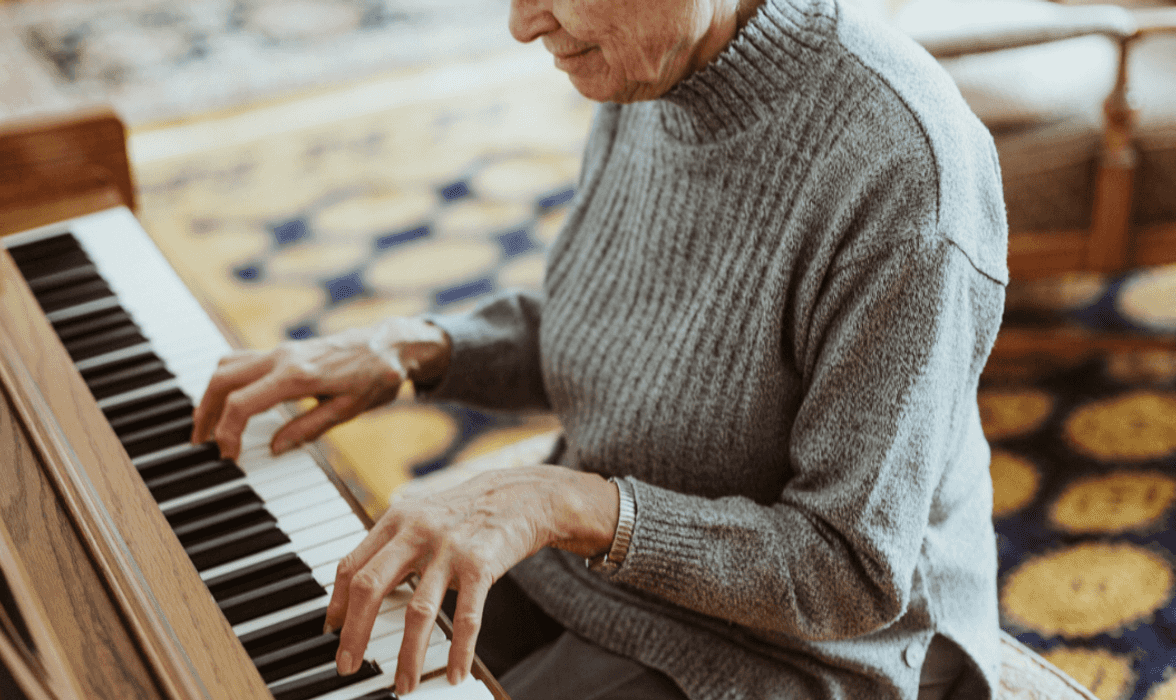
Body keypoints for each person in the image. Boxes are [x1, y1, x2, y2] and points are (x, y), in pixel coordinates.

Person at [190, 0, 1009, 695]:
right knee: (288, 632)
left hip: (800, 648)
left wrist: (559, 503)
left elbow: (847, 575)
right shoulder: (650, 65)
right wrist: (417, 348)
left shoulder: (906, 170)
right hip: (606, 562)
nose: (522, 24)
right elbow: (630, 324)